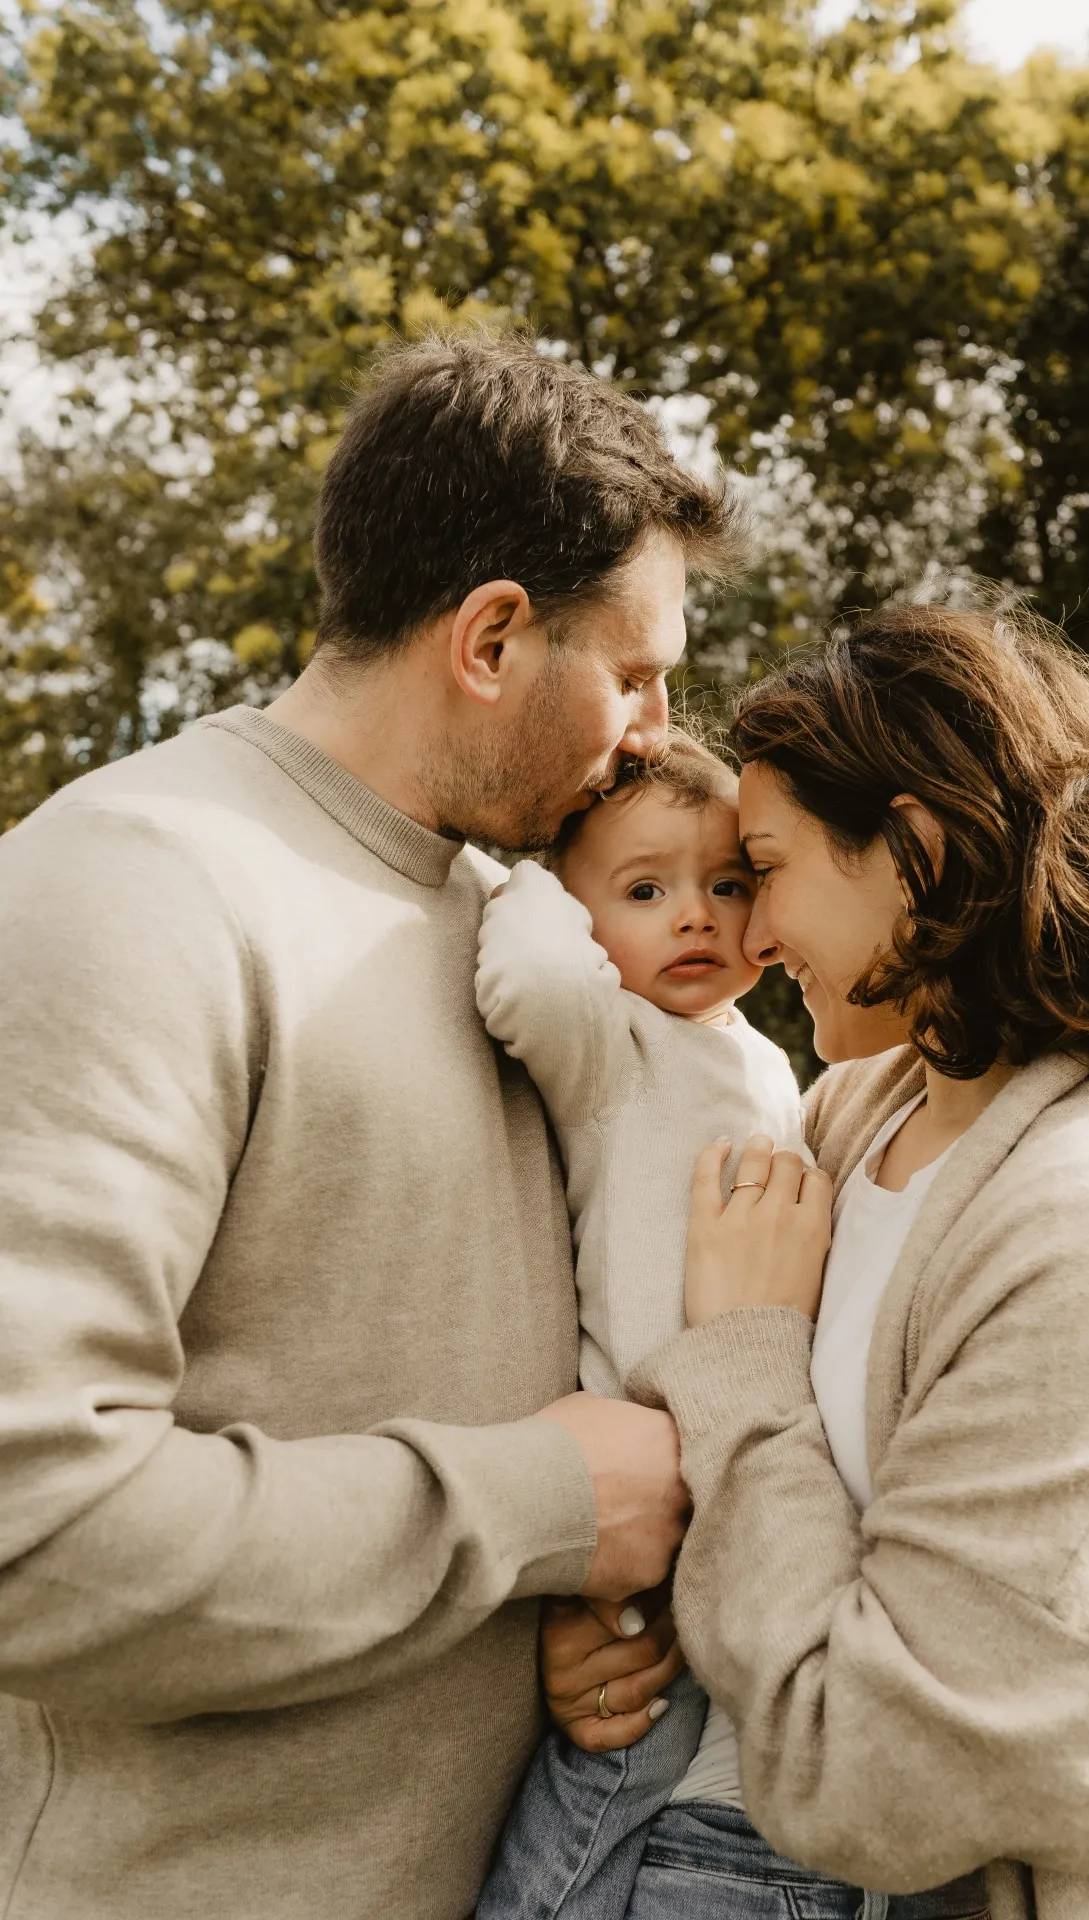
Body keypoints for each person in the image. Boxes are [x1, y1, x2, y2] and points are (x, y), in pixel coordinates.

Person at [0, 331, 744, 1920]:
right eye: (636, 672)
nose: (658, 732)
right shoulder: (132, 888)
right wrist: (541, 1508)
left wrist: (580, 1603)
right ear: (489, 638)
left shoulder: (530, 928)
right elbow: (32, 1532)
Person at [544, 603, 1089, 1919]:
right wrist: (613, 1637)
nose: (750, 937)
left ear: (919, 849)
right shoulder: (861, 1114)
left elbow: (868, 1777)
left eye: (762, 866)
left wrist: (746, 1363)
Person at [474, 731, 806, 1917]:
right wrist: (531, 872)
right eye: (644, 889)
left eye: (727, 884)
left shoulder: (767, 1058)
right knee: (619, 1754)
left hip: (745, 1454)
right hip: (643, 1475)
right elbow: (527, 981)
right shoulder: (609, 1045)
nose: (695, 919)